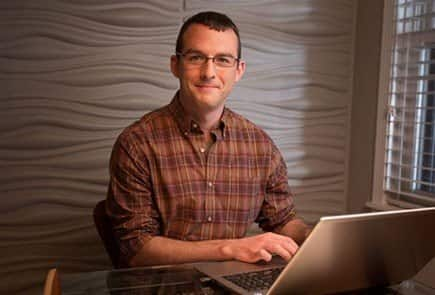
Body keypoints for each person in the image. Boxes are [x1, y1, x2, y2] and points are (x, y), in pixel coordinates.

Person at [106, 11, 311, 268]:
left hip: (234, 285)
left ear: (239, 71)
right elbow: (137, 250)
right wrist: (230, 248)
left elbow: (281, 219)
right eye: (196, 57)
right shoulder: (136, 144)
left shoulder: (261, 146)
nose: (209, 72)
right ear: (175, 65)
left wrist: (311, 237)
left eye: (223, 60)